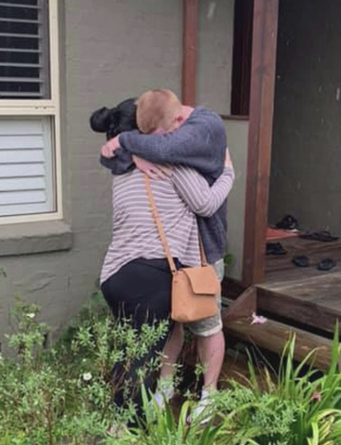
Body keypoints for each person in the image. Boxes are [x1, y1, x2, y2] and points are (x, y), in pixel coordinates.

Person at [91, 96, 234, 419]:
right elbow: (206, 203)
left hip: (174, 262)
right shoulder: (166, 163)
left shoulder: (125, 166)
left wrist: (123, 147)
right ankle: (135, 416)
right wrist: (228, 173)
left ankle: (206, 396)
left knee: (201, 328)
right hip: (164, 267)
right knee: (157, 340)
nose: (178, 129)